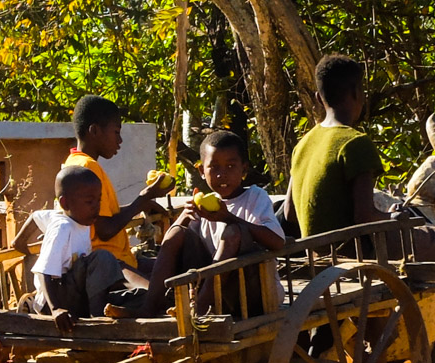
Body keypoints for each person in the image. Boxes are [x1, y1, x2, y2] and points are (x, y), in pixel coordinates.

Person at [284, 53, 435, 260]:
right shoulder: (354, 142)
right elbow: (364, 219)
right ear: (357, 93)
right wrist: (393, 216)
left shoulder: (302, 144)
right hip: (357, 252)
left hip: (315, 255)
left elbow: (289, 214)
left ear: (318, 98)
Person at [105, 130, 285, 318]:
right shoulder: (205, 203)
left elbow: (278, 242)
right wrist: (185, 216)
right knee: (178, 233)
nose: (222, 175)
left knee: (233, 232)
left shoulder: (255, 197)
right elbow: (169, 243)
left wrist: (228, 217)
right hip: (218, 296)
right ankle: (149, 305)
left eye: (231, 166)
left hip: (251, 294)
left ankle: (198, 309)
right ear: (201, 171)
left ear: (244, 170)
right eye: (214, 167)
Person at [65, 94, 170, 274]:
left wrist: (141, 204)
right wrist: (145, 196)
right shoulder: (88, 167)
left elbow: (101, 216)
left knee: (170, 267)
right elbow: (105, 229)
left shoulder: (74, 162)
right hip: (110, 264)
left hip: (119, 260)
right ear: (95, 131)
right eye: (116, 132)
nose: (120, 141)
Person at [30, 166, 134, 335]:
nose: (96, 207)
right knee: (102, 257)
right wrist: (56, 309)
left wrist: (18, 242)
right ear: (65, 203)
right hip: (56, 303)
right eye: (89, 202)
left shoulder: (82, 222)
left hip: (74, 292)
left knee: (116, 270)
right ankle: (97, 319)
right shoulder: (62, 228)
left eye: (98, 201)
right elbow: (44, 272)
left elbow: (36, 215)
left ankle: (137, 302)